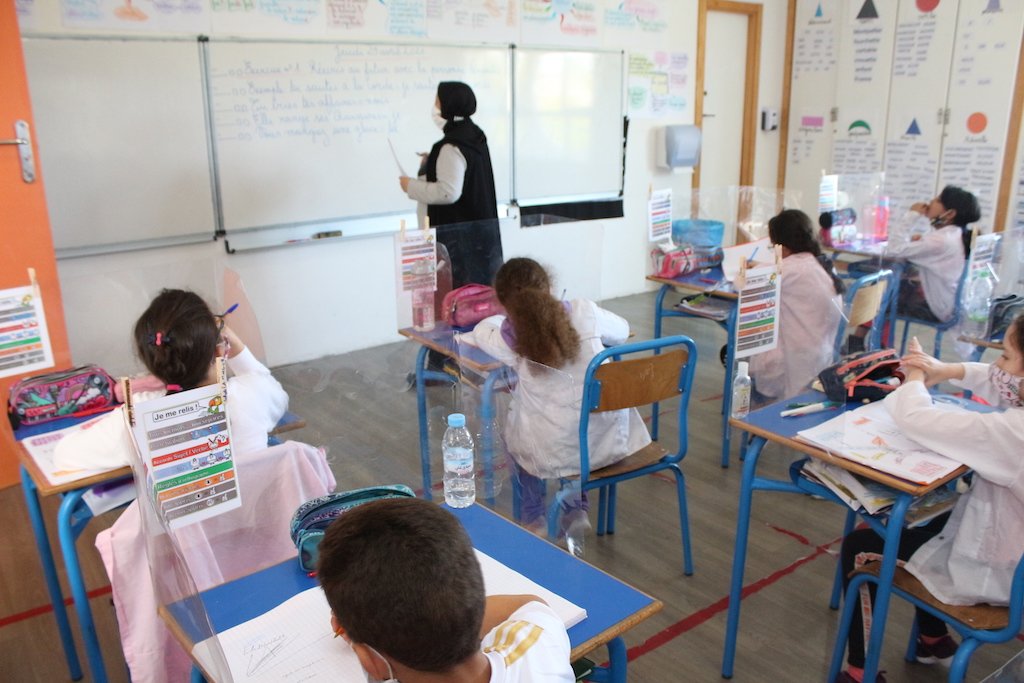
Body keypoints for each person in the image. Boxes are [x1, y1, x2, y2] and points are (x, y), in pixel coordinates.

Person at [836, 316, 1024, 683]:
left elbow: (915, 418)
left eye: (1005, 356)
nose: (997, 366)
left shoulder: (1013, 433)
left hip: (999, 575)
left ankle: (860, 671)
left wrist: (916, 378)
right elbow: (998, 378)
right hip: (1010, 550)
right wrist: (946, 369)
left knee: (860, 546)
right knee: (929, 526)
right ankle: (932, 638)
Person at [466, 258, 651, 552]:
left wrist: (495, 320)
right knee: (570, 425)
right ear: (550, 287)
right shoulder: (585, 311)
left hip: (550, 450)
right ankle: (575, 508)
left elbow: (480, 334)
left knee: (517, 435)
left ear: (502, 302)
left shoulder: (509, 335)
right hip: (608, 442)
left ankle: (533, 518)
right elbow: (621, 330)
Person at [318, 497, 575, 683]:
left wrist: (375, 633)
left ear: (373, 663)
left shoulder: (375, 663)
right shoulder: (539, 645)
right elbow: (530, 605)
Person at [53, 288, 288, 470]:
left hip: (182, 522)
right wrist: (227, 337)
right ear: (219, 350)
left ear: (152, 361)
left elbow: (63, 454)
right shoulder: (253, 395)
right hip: (254, 516)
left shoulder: (136, 417)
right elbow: (266, 384)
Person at [400, 81, 503, 289]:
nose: (435, 107)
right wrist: (432, 162)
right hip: (478, 239)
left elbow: (448, 192)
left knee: (456, 297)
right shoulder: (474, 135)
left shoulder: (450, 146)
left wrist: (410, 186)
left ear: (449, 105)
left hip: (457, 244)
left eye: (438, 102)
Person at [748, 209, 845, 401]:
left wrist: (752, 268)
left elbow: (746, 282)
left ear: (782, 246)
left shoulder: (791, 268)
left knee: (750, 340)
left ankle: (758, 409)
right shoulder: (820, 263)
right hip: (821, 353)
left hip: (796, 359)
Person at [884, 185, 982, 322]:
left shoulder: (941, 240)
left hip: (941, 309)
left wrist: (912, 215)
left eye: (938, 200)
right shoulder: (954, 234)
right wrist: (919, 243)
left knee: (883, 297)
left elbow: (893, 249)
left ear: (950, 214)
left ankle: (864, 334)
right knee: (892, 291)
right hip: (952, 304)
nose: (931, 202)